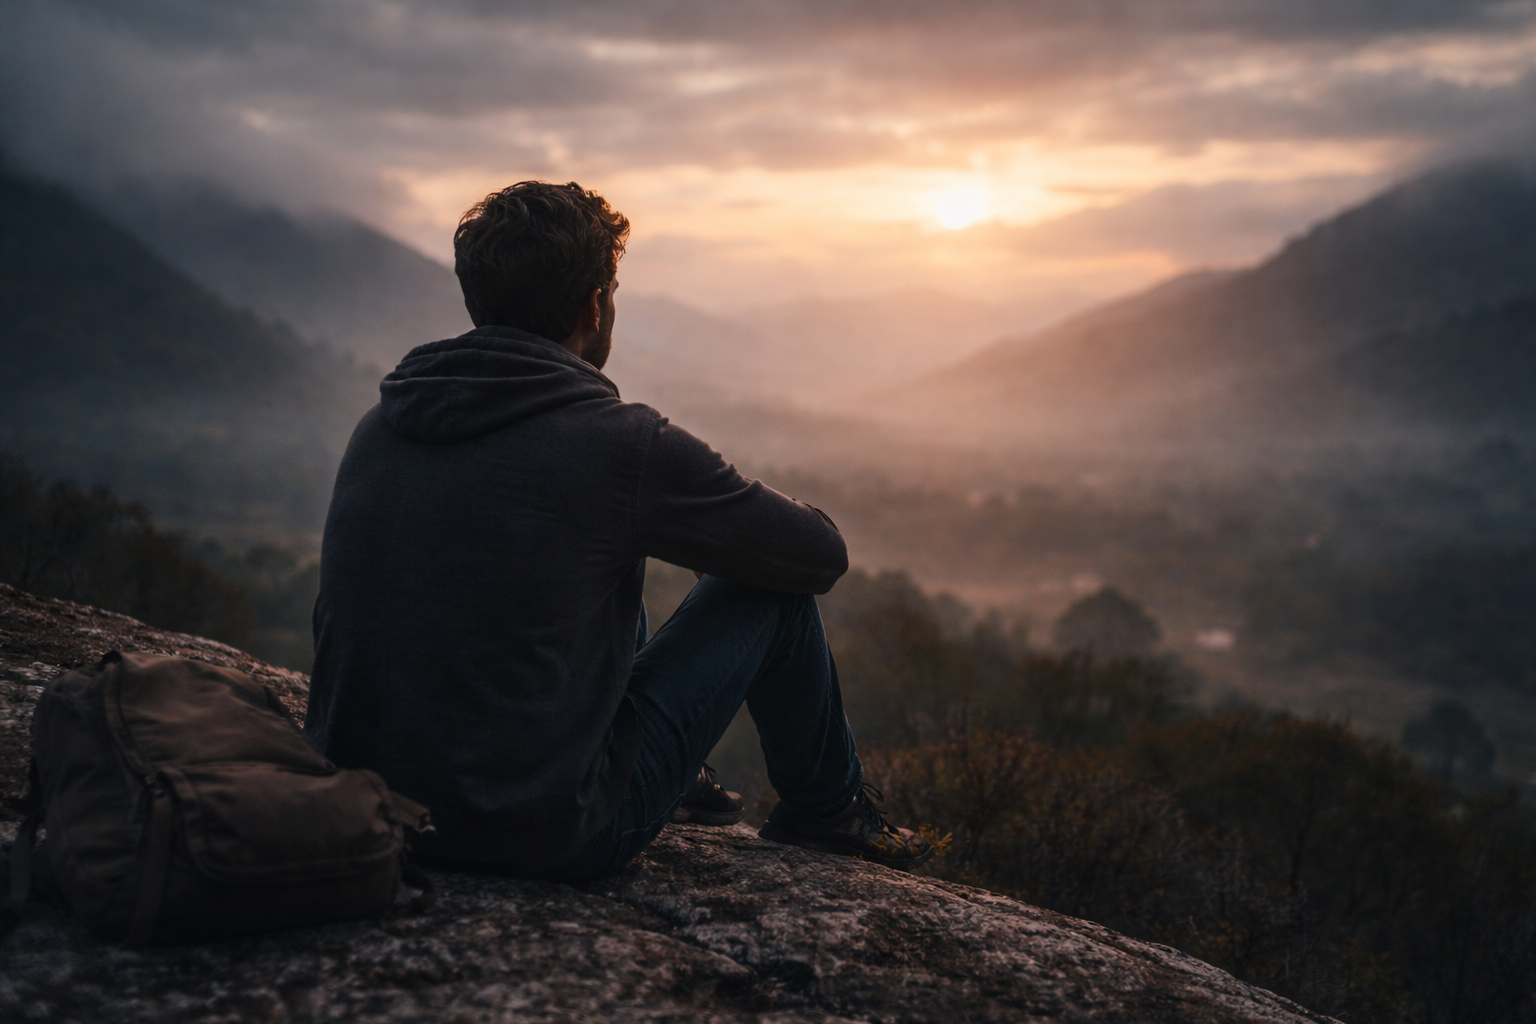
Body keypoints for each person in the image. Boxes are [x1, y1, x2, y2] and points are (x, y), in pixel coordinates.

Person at [304, 181, 932, 881]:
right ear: (594, 306)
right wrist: (726, 540)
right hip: (541, 830)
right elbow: (818, 554)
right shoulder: (618, 445)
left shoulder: (382, 424)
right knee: (768, 594)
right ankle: (829, 810)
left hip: (369, 806)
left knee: (591, 552)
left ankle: (684, 778)